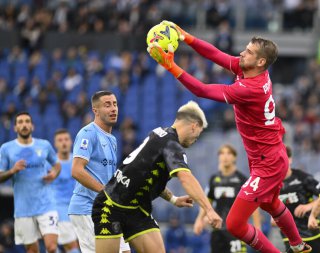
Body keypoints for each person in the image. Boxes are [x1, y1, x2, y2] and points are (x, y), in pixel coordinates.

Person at [148, 20, 311, 253]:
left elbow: (202, 90)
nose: (242, 53)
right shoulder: (252, 71)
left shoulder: (250, 88)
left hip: (269, 163)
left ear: (261, 62)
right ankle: (297, 245)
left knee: (234, 224)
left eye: (249, 52)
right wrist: (186, 36)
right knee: (270, 202)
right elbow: (216, 54)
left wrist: (171, 65)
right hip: (270, 155)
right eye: (245, 49)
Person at [91, 100, 223, 253]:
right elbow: (186, 178)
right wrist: (209, 209)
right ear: (193, 125)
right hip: (110, 205)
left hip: (136, 209)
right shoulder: (172, 145)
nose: (196, 140)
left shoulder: (160, 133)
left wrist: (173, 199)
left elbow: (146, 176)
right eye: (198, 135)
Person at [68, 91, 130, 253]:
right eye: (107, 105)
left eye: (115, 104)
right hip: (87, 208)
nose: (113, 109)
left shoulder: (113, 139)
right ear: (95, 110)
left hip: (107, 208)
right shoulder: (88, 134)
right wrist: (104, 191)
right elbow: (76, 170)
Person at [0, 112, 61, 253]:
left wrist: (53, 174)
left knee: (51, 247)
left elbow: (57, 165)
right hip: (23, 209)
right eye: (20, 122)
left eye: (27, 121)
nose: (24, 125)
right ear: (15, 128)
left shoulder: (44, 145)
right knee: (32, 251)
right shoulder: (6, 149)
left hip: (46, 205)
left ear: (32, 126)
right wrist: (12, 171)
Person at [193, 144, 260, 253]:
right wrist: (199, 220)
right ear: (219, 157)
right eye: (222, 153)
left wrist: (257, 227)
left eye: (229, 153)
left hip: (237, 230)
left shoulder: (242, 180)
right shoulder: (214, 179)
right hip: (217, 230)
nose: (225, 157)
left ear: (235, 157)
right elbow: (207, 201)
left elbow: (253, 205)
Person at [278, 146, 320, 253]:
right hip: (289, 236)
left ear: (290, 159)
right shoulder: (272, 184)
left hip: (311, 232)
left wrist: (308, 206)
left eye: (283, 158)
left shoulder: (303, 178)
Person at [51, 129, 80, 253]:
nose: (64, 143)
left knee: (82, 245)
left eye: (66, 139)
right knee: (71, 246)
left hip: (79, 209)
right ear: (55, 144)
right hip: (60, 210)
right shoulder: (50, 163)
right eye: (60, 140)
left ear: (71, 142)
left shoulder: (78, 161)